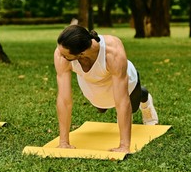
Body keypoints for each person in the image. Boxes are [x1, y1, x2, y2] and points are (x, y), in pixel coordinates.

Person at [54, 25, 158, 153]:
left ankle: (144, 96)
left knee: (133, 107)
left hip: (124, 81)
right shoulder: (62, 53)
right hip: (94, 84)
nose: (60, 55)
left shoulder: (112, 51)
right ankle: (104, 102)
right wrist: (64, 142)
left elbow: (122, 102)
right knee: (101, 107)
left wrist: (124, 146)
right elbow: (64, 100)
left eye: (65, 55)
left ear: (82, 53)